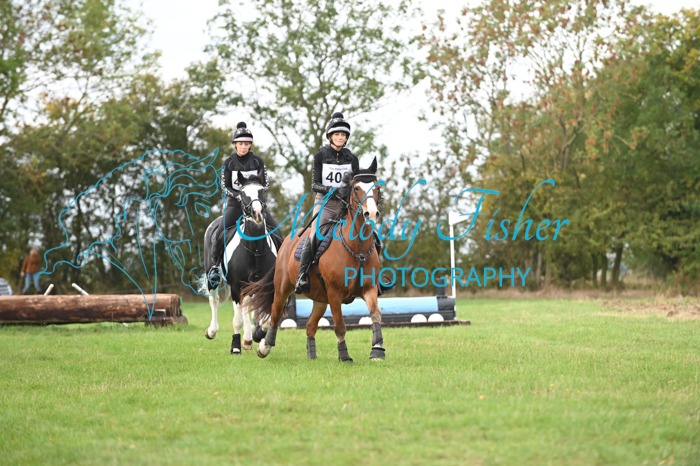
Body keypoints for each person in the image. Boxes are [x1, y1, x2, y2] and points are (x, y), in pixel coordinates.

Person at [208, 122, 282, 283]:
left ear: (250, 145)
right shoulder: (228, 163)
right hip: (235, 205)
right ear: (235, 144)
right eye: (240, 143)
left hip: (255, 205)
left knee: (277, 231)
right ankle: (215, 267)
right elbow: (224, 186)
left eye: (246, 144)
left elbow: (265, 183)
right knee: (219, 233)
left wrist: (254, 194)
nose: (243, 147)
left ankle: (282, 265)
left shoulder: (258, 162)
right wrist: (240, 196)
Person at [295, 112, 359, 294]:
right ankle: (302, 275)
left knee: (369, 233)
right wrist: (332, 190)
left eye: (343, 135)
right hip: (325, 203)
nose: (340, 137)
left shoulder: (352, 159)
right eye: (337, 134)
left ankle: (373, 276)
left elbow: (356, 183)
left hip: (346, 205)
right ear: (330, 136)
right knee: (315, 235)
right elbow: (314, 185)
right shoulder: (320, 156)